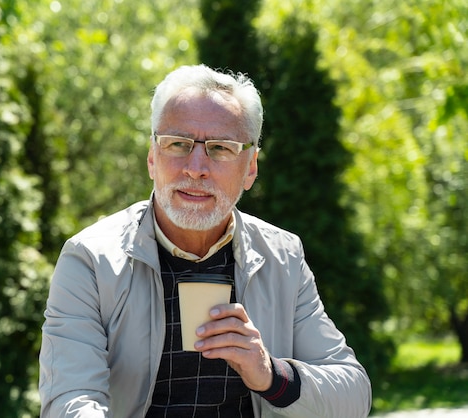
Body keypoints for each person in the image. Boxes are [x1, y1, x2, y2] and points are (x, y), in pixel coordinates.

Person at [39, 64, 372, 417]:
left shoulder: (283, 258)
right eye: (178, 144)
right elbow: (70, 400)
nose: (196, 167)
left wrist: (271, 375)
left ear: (251, 168)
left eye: (220, 149)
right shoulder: (91, 259)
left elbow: (352, 397)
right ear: (153, 157)